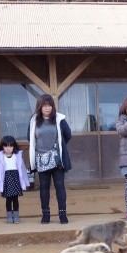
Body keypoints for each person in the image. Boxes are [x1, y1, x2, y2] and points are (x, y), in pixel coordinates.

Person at [27, 94, 72, 224]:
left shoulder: (59, 119)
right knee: (44, 188)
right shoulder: (34, 120)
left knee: (60, 187)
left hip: (57, 159)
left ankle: (62, 215)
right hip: (41, 159)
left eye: (50, 105)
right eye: (45, 105)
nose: (48, 108)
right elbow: (30, 138)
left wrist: (58, 148)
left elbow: (67, 135)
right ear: (40, 107)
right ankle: (45, 214)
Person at [0, 136, 29, 224]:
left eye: (10, 146)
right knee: (8, 199)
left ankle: (16, 216)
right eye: (6, 146)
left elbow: (22, 169)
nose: (8, 149)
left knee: (15, 199)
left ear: (14, 147)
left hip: (15, 178)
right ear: (2, 147)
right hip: (6, 180)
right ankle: (9, 216)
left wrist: (25, 181)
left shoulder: (17, 156)